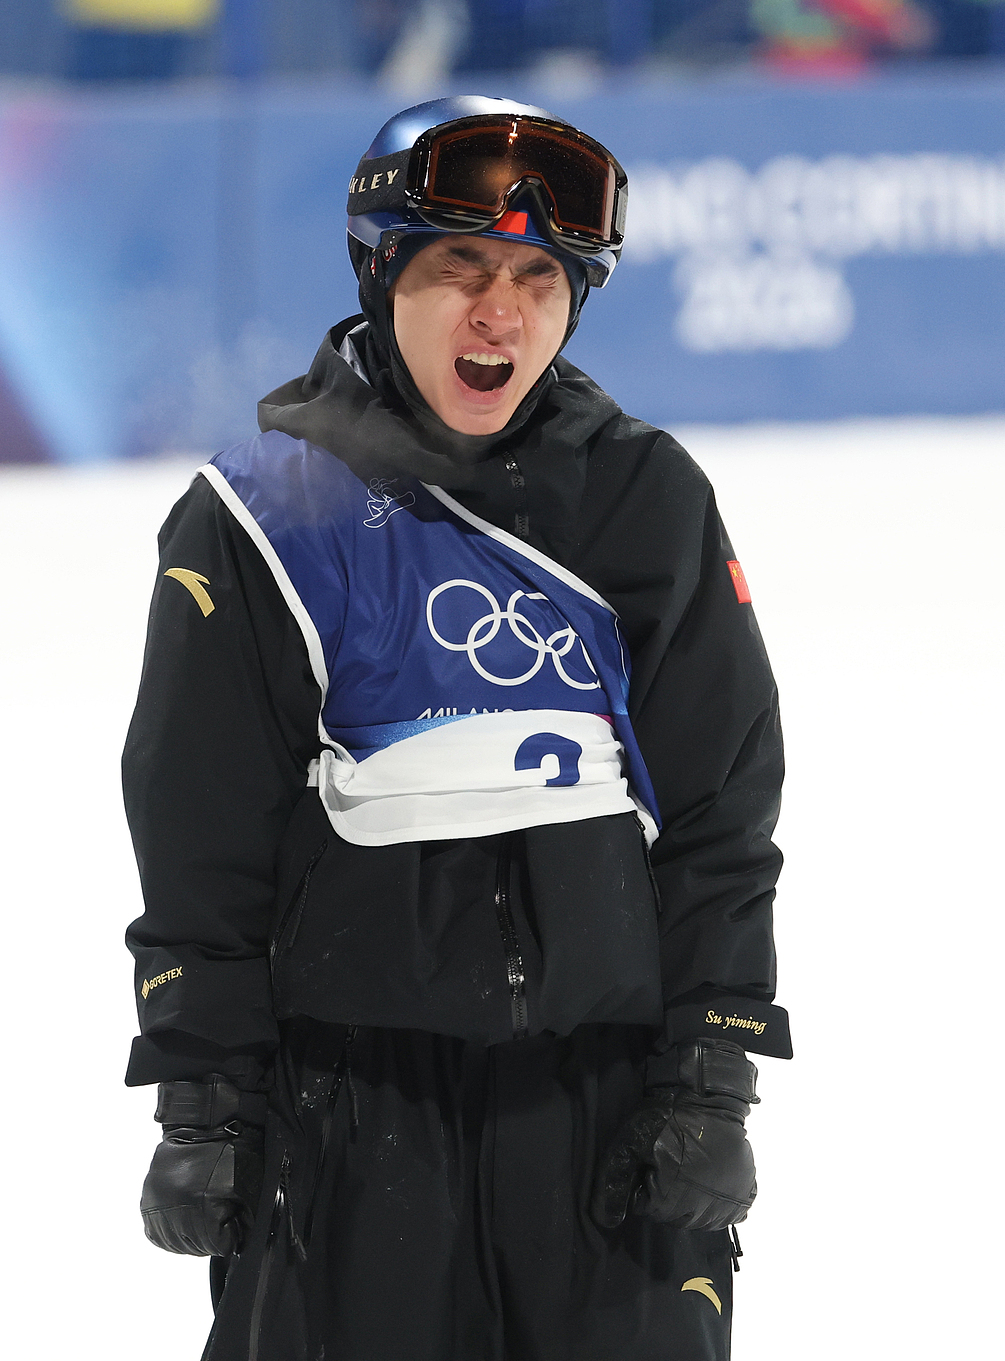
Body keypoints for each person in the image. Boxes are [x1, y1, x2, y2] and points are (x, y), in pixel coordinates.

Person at [121, 96, 790, 1361]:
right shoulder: (263, 515)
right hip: (341, 1121)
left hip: (605, 1117)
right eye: (461, 270)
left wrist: (711, 1069)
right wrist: (203, 1096)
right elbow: (198, 832)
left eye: (540, 279)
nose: (502, 313)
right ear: (382, 276)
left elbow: (720, 810)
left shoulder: (645, 498)